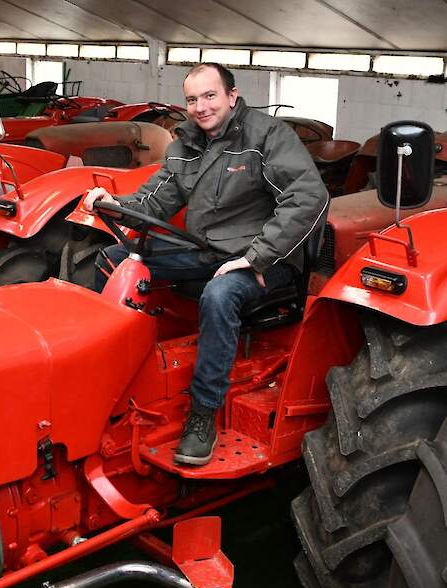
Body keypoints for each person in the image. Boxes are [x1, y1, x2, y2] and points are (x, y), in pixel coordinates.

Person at [83, 62, 329, 466]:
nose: (200, 107)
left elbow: (307, 198)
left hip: (265, 259)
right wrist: (114, 206)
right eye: (192, 99)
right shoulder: (185, 146)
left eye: (210, 96)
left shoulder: (266, 137)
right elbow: (153, 201)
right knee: (113, 259)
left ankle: (202, 415)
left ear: (232, 96)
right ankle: (109, 367)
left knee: (220, 294)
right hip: (206, 250)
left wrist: (255, 258)